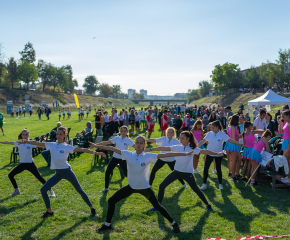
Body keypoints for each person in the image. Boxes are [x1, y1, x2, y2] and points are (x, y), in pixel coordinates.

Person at [93, 135, 185, 233]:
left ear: (144, 144)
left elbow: (165, 155)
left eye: (141, 143)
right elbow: (112, 148)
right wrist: (96, 145)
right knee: (111, 201)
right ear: (134, 143)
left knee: (157, 206)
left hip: (144, 188)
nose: (139, 144)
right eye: (137, 142)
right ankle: (107, 224)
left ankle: (174, 223)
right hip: (131, 187)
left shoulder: (148, 155)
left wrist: (185, 153)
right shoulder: (128, 154)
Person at [19, 126, 105, 218]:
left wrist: (96, 153)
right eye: (57, 134)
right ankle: (49, 212)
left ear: (65, 135)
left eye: (60, 134)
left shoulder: (66, 147)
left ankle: (92, 209)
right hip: (58, 174)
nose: (58, 136)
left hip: (67, 171)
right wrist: (26, 141)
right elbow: (38, 143)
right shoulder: (52, 144)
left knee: (79, 189)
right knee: (43, 190)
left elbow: (82, 149)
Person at [150, 131, 219, 212]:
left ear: (188, 139)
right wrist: (151, 149)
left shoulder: (193, 148)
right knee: (162, 186)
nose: (180, 139)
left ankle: (208, 205)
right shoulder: (178, 147)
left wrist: (218, 154)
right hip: (176, 172)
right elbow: (164, 148)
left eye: (182, 138)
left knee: (196, 189)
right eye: (180, 137)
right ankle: (158, 207)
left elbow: (206, 151)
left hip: (187, 174)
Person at [0, 129, 56, 197]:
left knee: (39, 177)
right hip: (22, 164)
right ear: (22, 135)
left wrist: (52, 146)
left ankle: (50, 190)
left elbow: (40, 145)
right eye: (23, 134)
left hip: (30, 164)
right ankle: (17, 190)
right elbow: (8, 142)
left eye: (26, 135)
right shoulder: (19, 142)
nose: (25, 136)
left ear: (29, 135)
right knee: (10, 175)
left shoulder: (31, 143)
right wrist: (0, 141)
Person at [198, 120, 244, 190]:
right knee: (206, 168)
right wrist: (196, 146)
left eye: (213, 128)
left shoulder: (222, 134)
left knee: (218, 169)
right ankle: (204, 184)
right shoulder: (209, 133)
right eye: (211, 128)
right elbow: (203, 141)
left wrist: (240, 144)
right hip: (209, 153)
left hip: (218, 154)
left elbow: (231, 140)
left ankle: (220, 184)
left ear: (217, 127)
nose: (212, 129)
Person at [91, 126, 134, 194]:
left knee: (126, 174)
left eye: (124, 131)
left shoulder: (128, 140)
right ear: (120, 131)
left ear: (127, 132)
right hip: (115, 158)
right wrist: (95, 144)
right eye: (122, 131)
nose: (123, 132)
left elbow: (136, 147)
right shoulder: (117, 138)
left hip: (123, 159)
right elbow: (107, 142)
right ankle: (106, 188)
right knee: (107, 172)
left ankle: (132, 187)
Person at [224, 114, 242, 181]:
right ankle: (233, 176)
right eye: (238, 119)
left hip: (231, 144)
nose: (239, 121)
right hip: (234, 144)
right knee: (234, 161)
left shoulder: (230, 127)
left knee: (238, 159)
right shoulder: (233, 127)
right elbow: (234, 138)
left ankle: (236, 174)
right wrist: (240, 136)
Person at [281, 111, 290, 183]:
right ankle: (288, 177)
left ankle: (288, 178)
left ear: (288, 115)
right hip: (285, 142)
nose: (282, 118)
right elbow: (281, 132)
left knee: (286, 161)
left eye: (283, 116)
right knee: (286, 161)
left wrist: (288, 147)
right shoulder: (286, 122)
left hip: (288, 144)